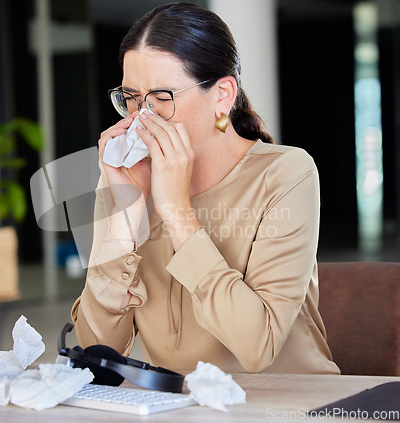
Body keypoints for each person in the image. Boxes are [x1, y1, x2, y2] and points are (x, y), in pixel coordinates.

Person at [71, 2, 340, 374]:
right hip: (182, 407)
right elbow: (97, 353)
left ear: (223, 95)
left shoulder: (286, 173)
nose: (141, 118)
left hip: (286, 404)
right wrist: (124, 221)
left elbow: (257, 348)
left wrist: (177, 211)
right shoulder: (127, 177)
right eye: (131, 98)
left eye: (162, 98)